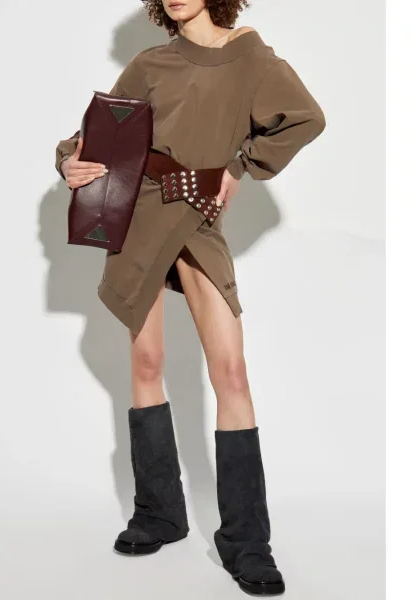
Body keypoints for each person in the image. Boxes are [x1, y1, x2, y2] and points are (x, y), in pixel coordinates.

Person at [55, 0, 326, 596]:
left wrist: (241, 167)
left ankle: (247, 541)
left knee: (231, 372)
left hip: (198, 221)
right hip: (139, 216)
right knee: (147, 363)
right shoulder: (151, 63)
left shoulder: (252, 57)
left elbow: (307, 118)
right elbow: (98, 133)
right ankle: (159, 513)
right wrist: (70, 161)